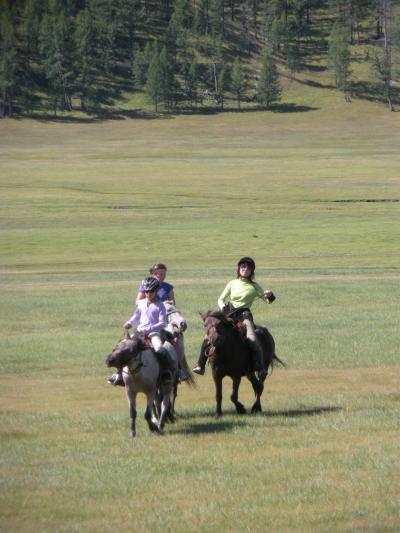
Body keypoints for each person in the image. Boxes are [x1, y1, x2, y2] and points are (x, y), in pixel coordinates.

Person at [192, 257, 275, 379]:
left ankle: (261, 367)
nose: (245, 269)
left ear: (252, 271)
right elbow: (221, 299)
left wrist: (270, 295)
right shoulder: (232, 283)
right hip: (227, 314)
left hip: (244, 316)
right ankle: (201, 365)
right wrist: (223, 308)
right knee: (209, 336)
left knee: (252, 338)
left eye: (248, 267)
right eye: (243, 267)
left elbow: (267, 301)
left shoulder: (255, 286)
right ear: (239, 268)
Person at [107, 277, 176, 386]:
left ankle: (166, 372)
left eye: (151, 291)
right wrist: (129, 323)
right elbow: (137, 316)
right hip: (139, 332)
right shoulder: (142, 303)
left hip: (154, 333)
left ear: (156, 290)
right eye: (146, 291)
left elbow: (162, 323)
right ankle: (118, 374)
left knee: (159, 349)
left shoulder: (160, 305)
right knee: (122, 347)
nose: (148, 294)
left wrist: (148, 329)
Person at [136, 263, 189, 381]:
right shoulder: (145, 285)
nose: (161, 276)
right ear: (153, 274)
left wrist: (165, 305)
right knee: (128, 341)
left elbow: (173, 305)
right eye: (158, 273)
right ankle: (121, 372)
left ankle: (179, 368)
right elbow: (138, 301)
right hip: (148, 318)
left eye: (163, 274)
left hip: (165, 319)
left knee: (176, 338)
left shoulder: (168, 287)